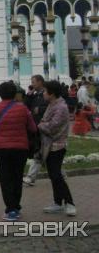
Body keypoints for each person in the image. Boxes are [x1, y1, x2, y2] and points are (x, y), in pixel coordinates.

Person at [0, 81, 36, 221]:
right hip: (20, 148)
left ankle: (10, 209)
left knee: (5, 178)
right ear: (15, 93)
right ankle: (16, 206)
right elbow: (32, 127)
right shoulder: (23, 108)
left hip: (2, 148)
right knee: (17, 177)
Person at [39, 80, 76, 216]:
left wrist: (41, 125)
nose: (43, 93)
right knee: (53, 176)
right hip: (49, 145)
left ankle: (70, 203)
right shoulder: (52, 104)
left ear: (52, 93)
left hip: (57, 146)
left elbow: (50, 126)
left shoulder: (60, 107)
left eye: (45, 91)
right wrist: (43, 123)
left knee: (56, 175)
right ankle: (57, 202)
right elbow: (45, 121)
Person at [23, 75, 48, 186]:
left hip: (46, 128)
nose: (32, 84)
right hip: (36, 127)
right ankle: (61, 174)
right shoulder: (34, 95)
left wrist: (40, 109)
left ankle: (30, 177)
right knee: (44, 153)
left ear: (40, 82)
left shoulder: (47, 93)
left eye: (33, 82)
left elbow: (52, 107)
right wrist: (28, 95)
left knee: (40, 153)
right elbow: (26, 106)